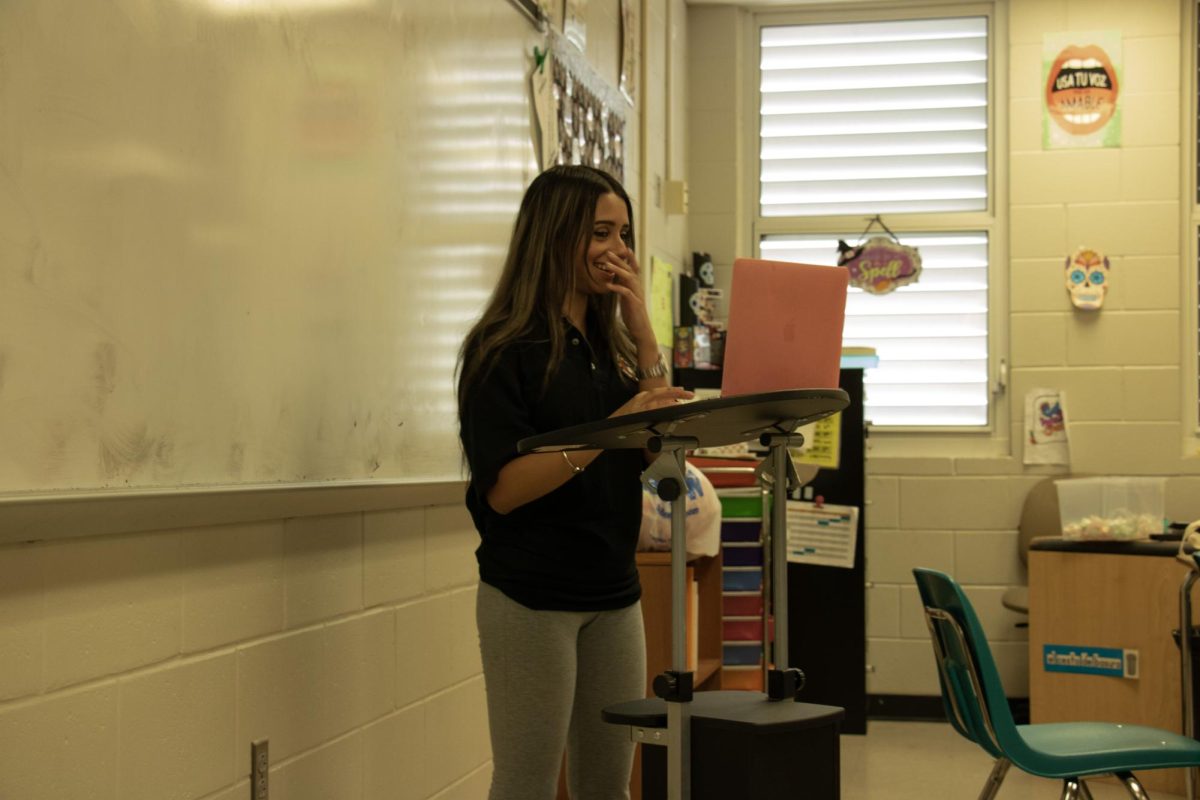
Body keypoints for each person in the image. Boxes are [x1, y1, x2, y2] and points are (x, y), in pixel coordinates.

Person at [457, 164, 692, 800]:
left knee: (607, 788)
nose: (618, 250)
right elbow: (503, 489)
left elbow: (656, 456)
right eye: (600, 233)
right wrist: (603, 433)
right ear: (555, 236)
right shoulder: (502, 348)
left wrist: (642, 327)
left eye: (623, 234)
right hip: (530, 599)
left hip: (614, 595)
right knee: (528, 784)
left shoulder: (609, 347)